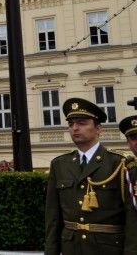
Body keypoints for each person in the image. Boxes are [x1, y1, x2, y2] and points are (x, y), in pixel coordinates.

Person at [44, 98, 137, 254]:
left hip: (108, 249)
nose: (75, 128)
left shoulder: (121, 164)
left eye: (81, 123)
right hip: (71, 248)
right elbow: (52, 217)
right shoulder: (59, 164)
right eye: (71, 124)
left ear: (98, 129)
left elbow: (133, 219)